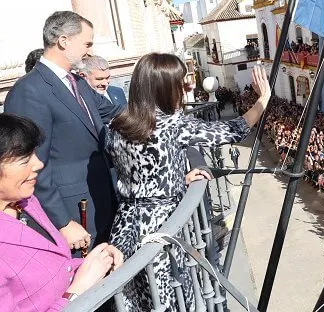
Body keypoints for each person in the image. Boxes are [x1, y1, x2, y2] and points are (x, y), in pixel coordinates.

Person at [106, 53, 271, 311]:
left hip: (125, 226)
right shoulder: (171, 124)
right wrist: (263, 100)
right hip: (160, 229)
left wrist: (177, 180)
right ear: (164, 87)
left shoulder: (118, 124)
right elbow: (233, 130)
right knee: (169, 299)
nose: (186, 89)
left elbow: (143, 174)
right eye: (181, 84)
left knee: (133, 301)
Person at [3, 11, 124, 257]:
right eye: (87, 43)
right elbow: (31, 165)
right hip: (73, 213)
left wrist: (159, 111)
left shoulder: (77, 83)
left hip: (101, 198)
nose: (90, 51)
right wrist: (62, 222)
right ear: (64, 41)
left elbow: (114, 113)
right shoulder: (30, 91)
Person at [0, 114, 124, 311]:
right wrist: (77, 292)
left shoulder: (26, 202)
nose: (38, 164)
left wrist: (93, 263)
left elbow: (54, 270)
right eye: (25, 160)